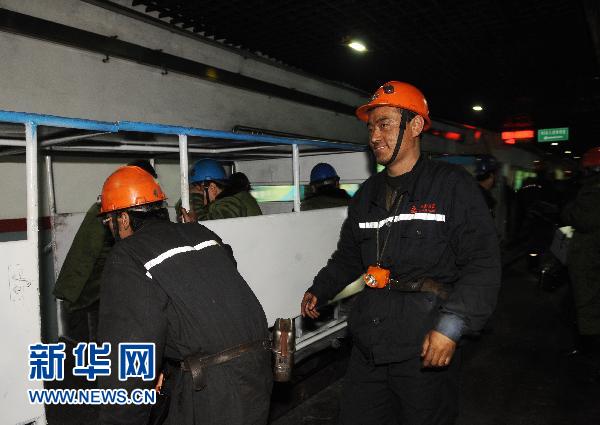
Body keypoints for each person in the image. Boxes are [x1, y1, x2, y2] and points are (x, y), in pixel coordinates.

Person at [300, 81, 501, 425]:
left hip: (423, 343)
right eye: (371, 127)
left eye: (385, 124)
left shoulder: (451, 186)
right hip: (369, 343)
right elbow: (348, 256)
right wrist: (321, 288)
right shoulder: (366, 195)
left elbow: (482, 262)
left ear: (416, 126)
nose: (374, 136)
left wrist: (451, 325)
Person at [96, 165, 272, 425]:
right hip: (258, 367)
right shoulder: (200, 232)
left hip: (215, 388)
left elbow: (129, 357)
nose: (110, 229)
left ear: (122, 219)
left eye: (108, 221)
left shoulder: (129, 255)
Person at [53, 159, 157, 342]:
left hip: (89, 296)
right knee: (90, 356)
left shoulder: (110, 208)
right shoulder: (110, 213)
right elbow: (90, 261)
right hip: (84, 299)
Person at [561, 146, 600, 380]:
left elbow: (580, 218)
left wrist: (568, 208)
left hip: (590, 257)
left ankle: (589, 354)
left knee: (585, 304)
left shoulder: (592, 191)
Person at [177, 159, 262, 222]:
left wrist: (194, 198)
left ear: (212, 188)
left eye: (199, 191)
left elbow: (208, 228)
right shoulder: (230, 199)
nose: (200, 198)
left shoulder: (231, 204)